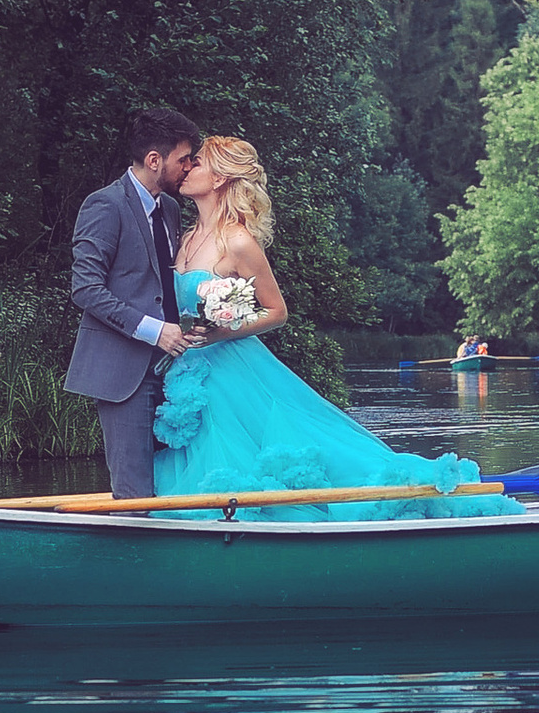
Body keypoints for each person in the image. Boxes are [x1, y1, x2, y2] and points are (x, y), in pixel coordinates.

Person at [155, 134, 516, 517]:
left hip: (233, 369)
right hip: (190, 370)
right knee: (203, 449)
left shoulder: (239, 242)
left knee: (247, 450)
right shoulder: (186, 236)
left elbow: (276, 311)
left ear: (219, 179)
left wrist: (222, 329)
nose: (187, 167)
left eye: (198, 162)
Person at [65, 108, 203, 498]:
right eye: (184, 159)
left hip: (177, 372)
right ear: (154, 160)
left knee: (175, 485)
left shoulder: (171, 210)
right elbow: (85, 289)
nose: (190, 167)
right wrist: (155, 330)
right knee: (135, 497)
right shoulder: (104, 205)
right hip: (123, 375)